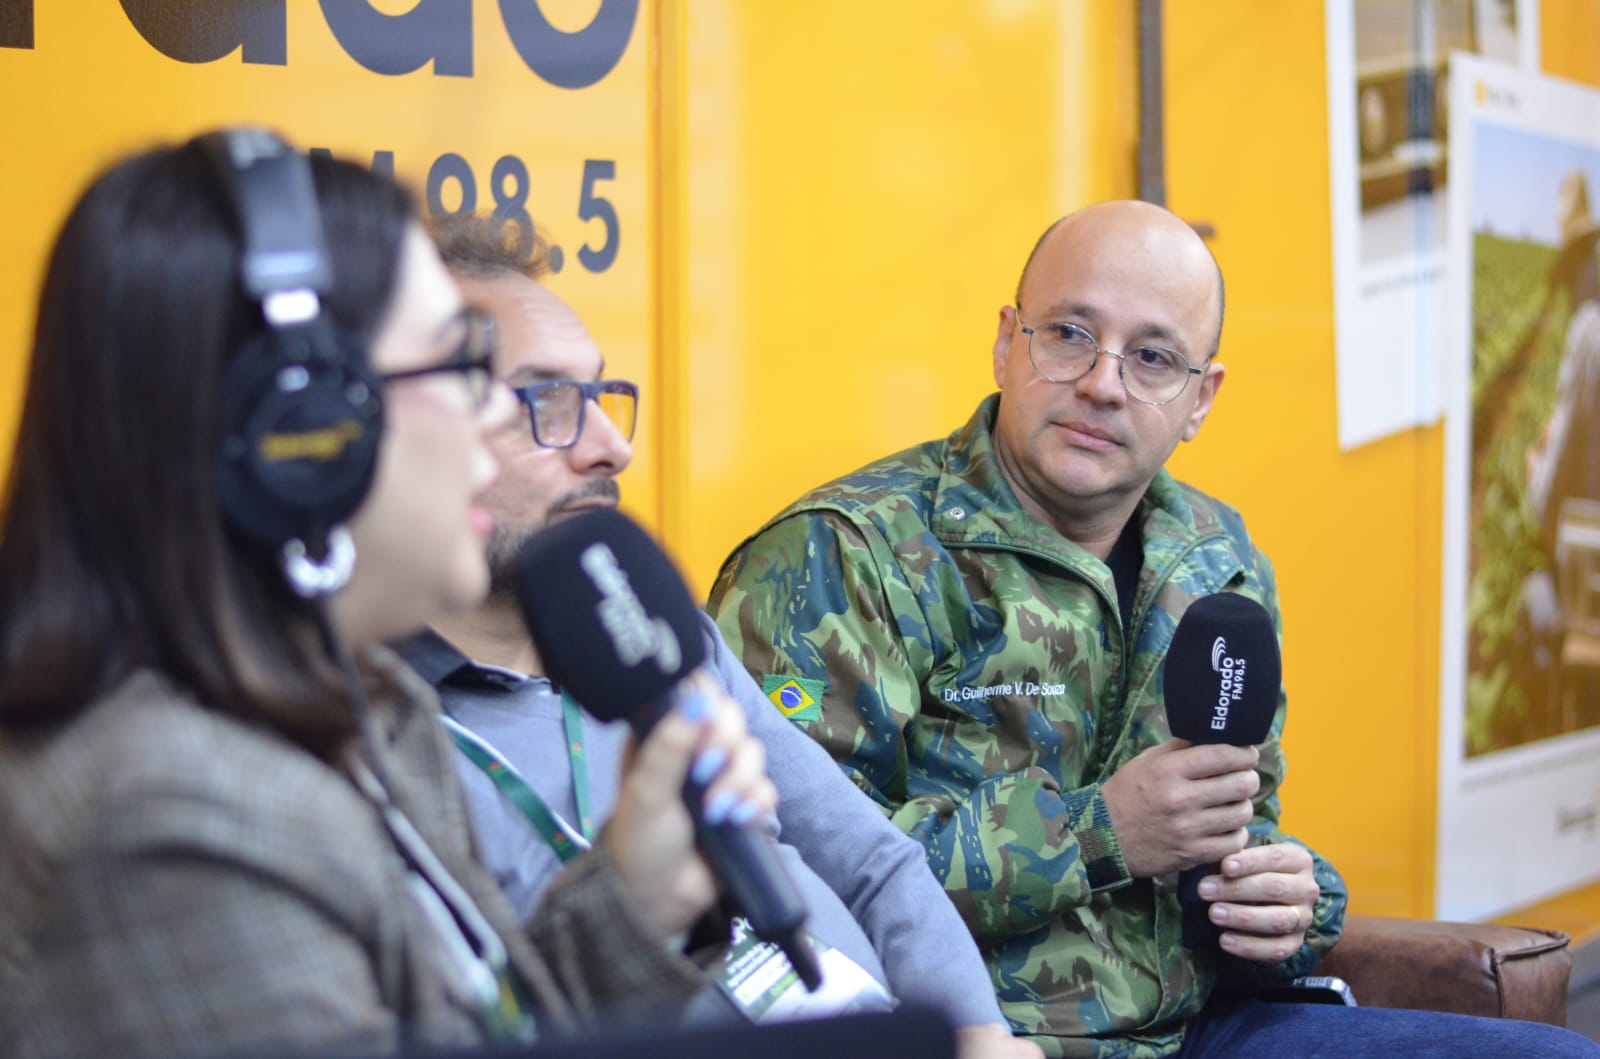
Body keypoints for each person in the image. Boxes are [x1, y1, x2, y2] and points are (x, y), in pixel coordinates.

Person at [708, 201, 1600, 1057]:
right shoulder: (839, 556)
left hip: (1197, 1031)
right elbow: (775, 880)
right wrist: (1097, 831)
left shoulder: (1219, 557)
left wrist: (1292, 903)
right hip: (977, 1038)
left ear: (1201, 399)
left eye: (1153, 357)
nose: (1103, 384)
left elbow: (1242, 822)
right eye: (1069, 333)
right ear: (1007, 342)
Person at [0, 130, 773, 1057]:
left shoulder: (350, 707)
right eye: (459, 368)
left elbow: (467, 1031)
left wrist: (630, 906)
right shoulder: (179, 818)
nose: (496, 418)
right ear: (299, 438)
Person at [395, 213, 1040, 1058]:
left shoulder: (653, 638)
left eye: (599, 396)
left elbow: (871, 861)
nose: (611, 448)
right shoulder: (373, 734)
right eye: (545, 402)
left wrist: (978, 1031)